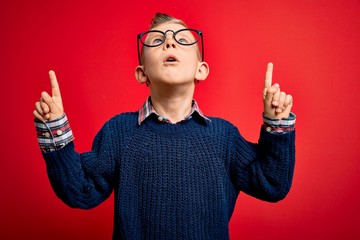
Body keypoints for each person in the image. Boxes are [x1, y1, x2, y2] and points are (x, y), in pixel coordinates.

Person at [33, 13, 296, 240]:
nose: (169, 40)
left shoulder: (224, 137)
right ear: (142, 73)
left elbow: (272, 183)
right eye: (157, 40)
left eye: (182, 39)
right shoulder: (119, 132)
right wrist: (55, 129)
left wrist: (277, 124)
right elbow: (80, 190)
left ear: (201, 70)